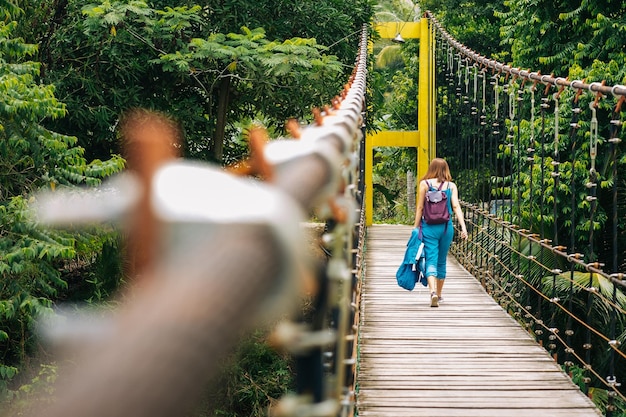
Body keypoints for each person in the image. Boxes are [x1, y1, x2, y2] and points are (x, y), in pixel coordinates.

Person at [413, 158, 468, 307]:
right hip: (446, 228)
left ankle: (432, 292)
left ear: (431, 168)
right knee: (441, 261)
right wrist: (463, 227)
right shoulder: (451, 186)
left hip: (429, 227)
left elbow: (420, 208)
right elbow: (456, 206)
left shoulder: (424, 184)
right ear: (446, 169)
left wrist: (415, 228)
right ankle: (439, 294)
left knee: (431, 259)